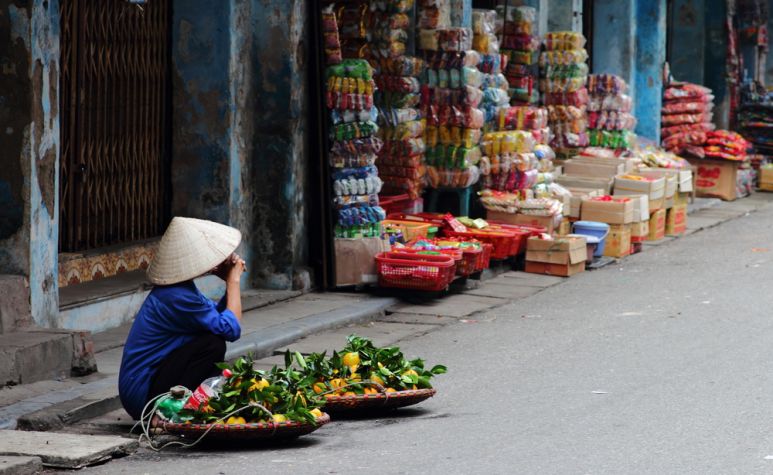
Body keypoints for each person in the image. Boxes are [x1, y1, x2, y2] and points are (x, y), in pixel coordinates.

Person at [118, 217, 245, 420]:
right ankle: (162, 411)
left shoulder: (183, 290)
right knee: (212, 345)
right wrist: (233, 281)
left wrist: (228, 282)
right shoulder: (176, 295)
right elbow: (231, 329)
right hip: (142, 393)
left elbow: (217, 319)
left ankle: (186, 406)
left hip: (151, 380)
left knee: (212, 344)